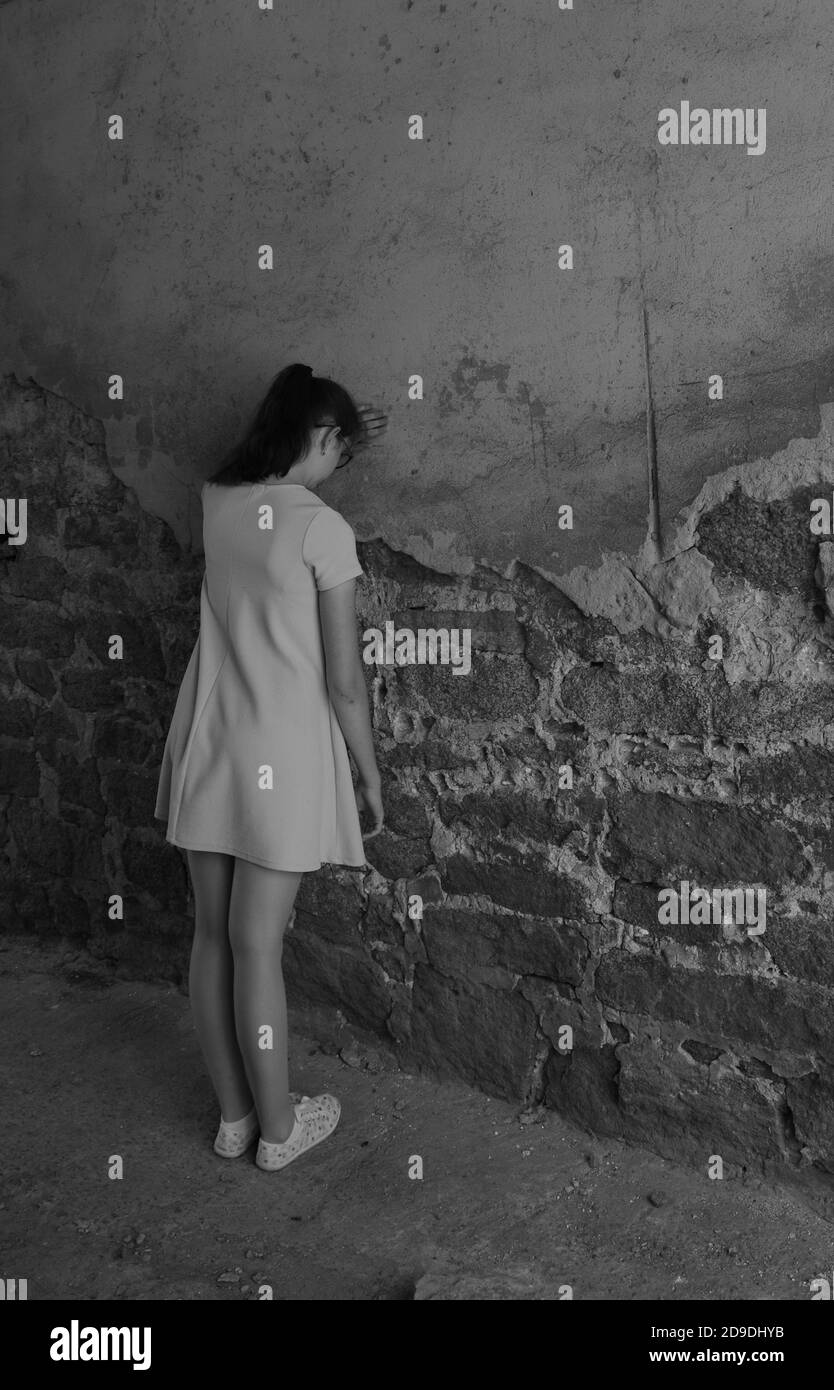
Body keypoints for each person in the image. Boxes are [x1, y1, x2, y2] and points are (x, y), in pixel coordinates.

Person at [153, 362, 386, 1172]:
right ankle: (282, 1131)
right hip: (281, 755)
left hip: (210, 738)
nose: (340, 469)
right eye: (341, 452)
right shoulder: (322, 529)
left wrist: (321, 420)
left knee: (211, 939)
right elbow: (344, 680)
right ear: (321, 438)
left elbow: (258, 466)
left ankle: (233, 1120)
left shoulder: (216, 504)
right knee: (259, 945)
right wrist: (368, 771)